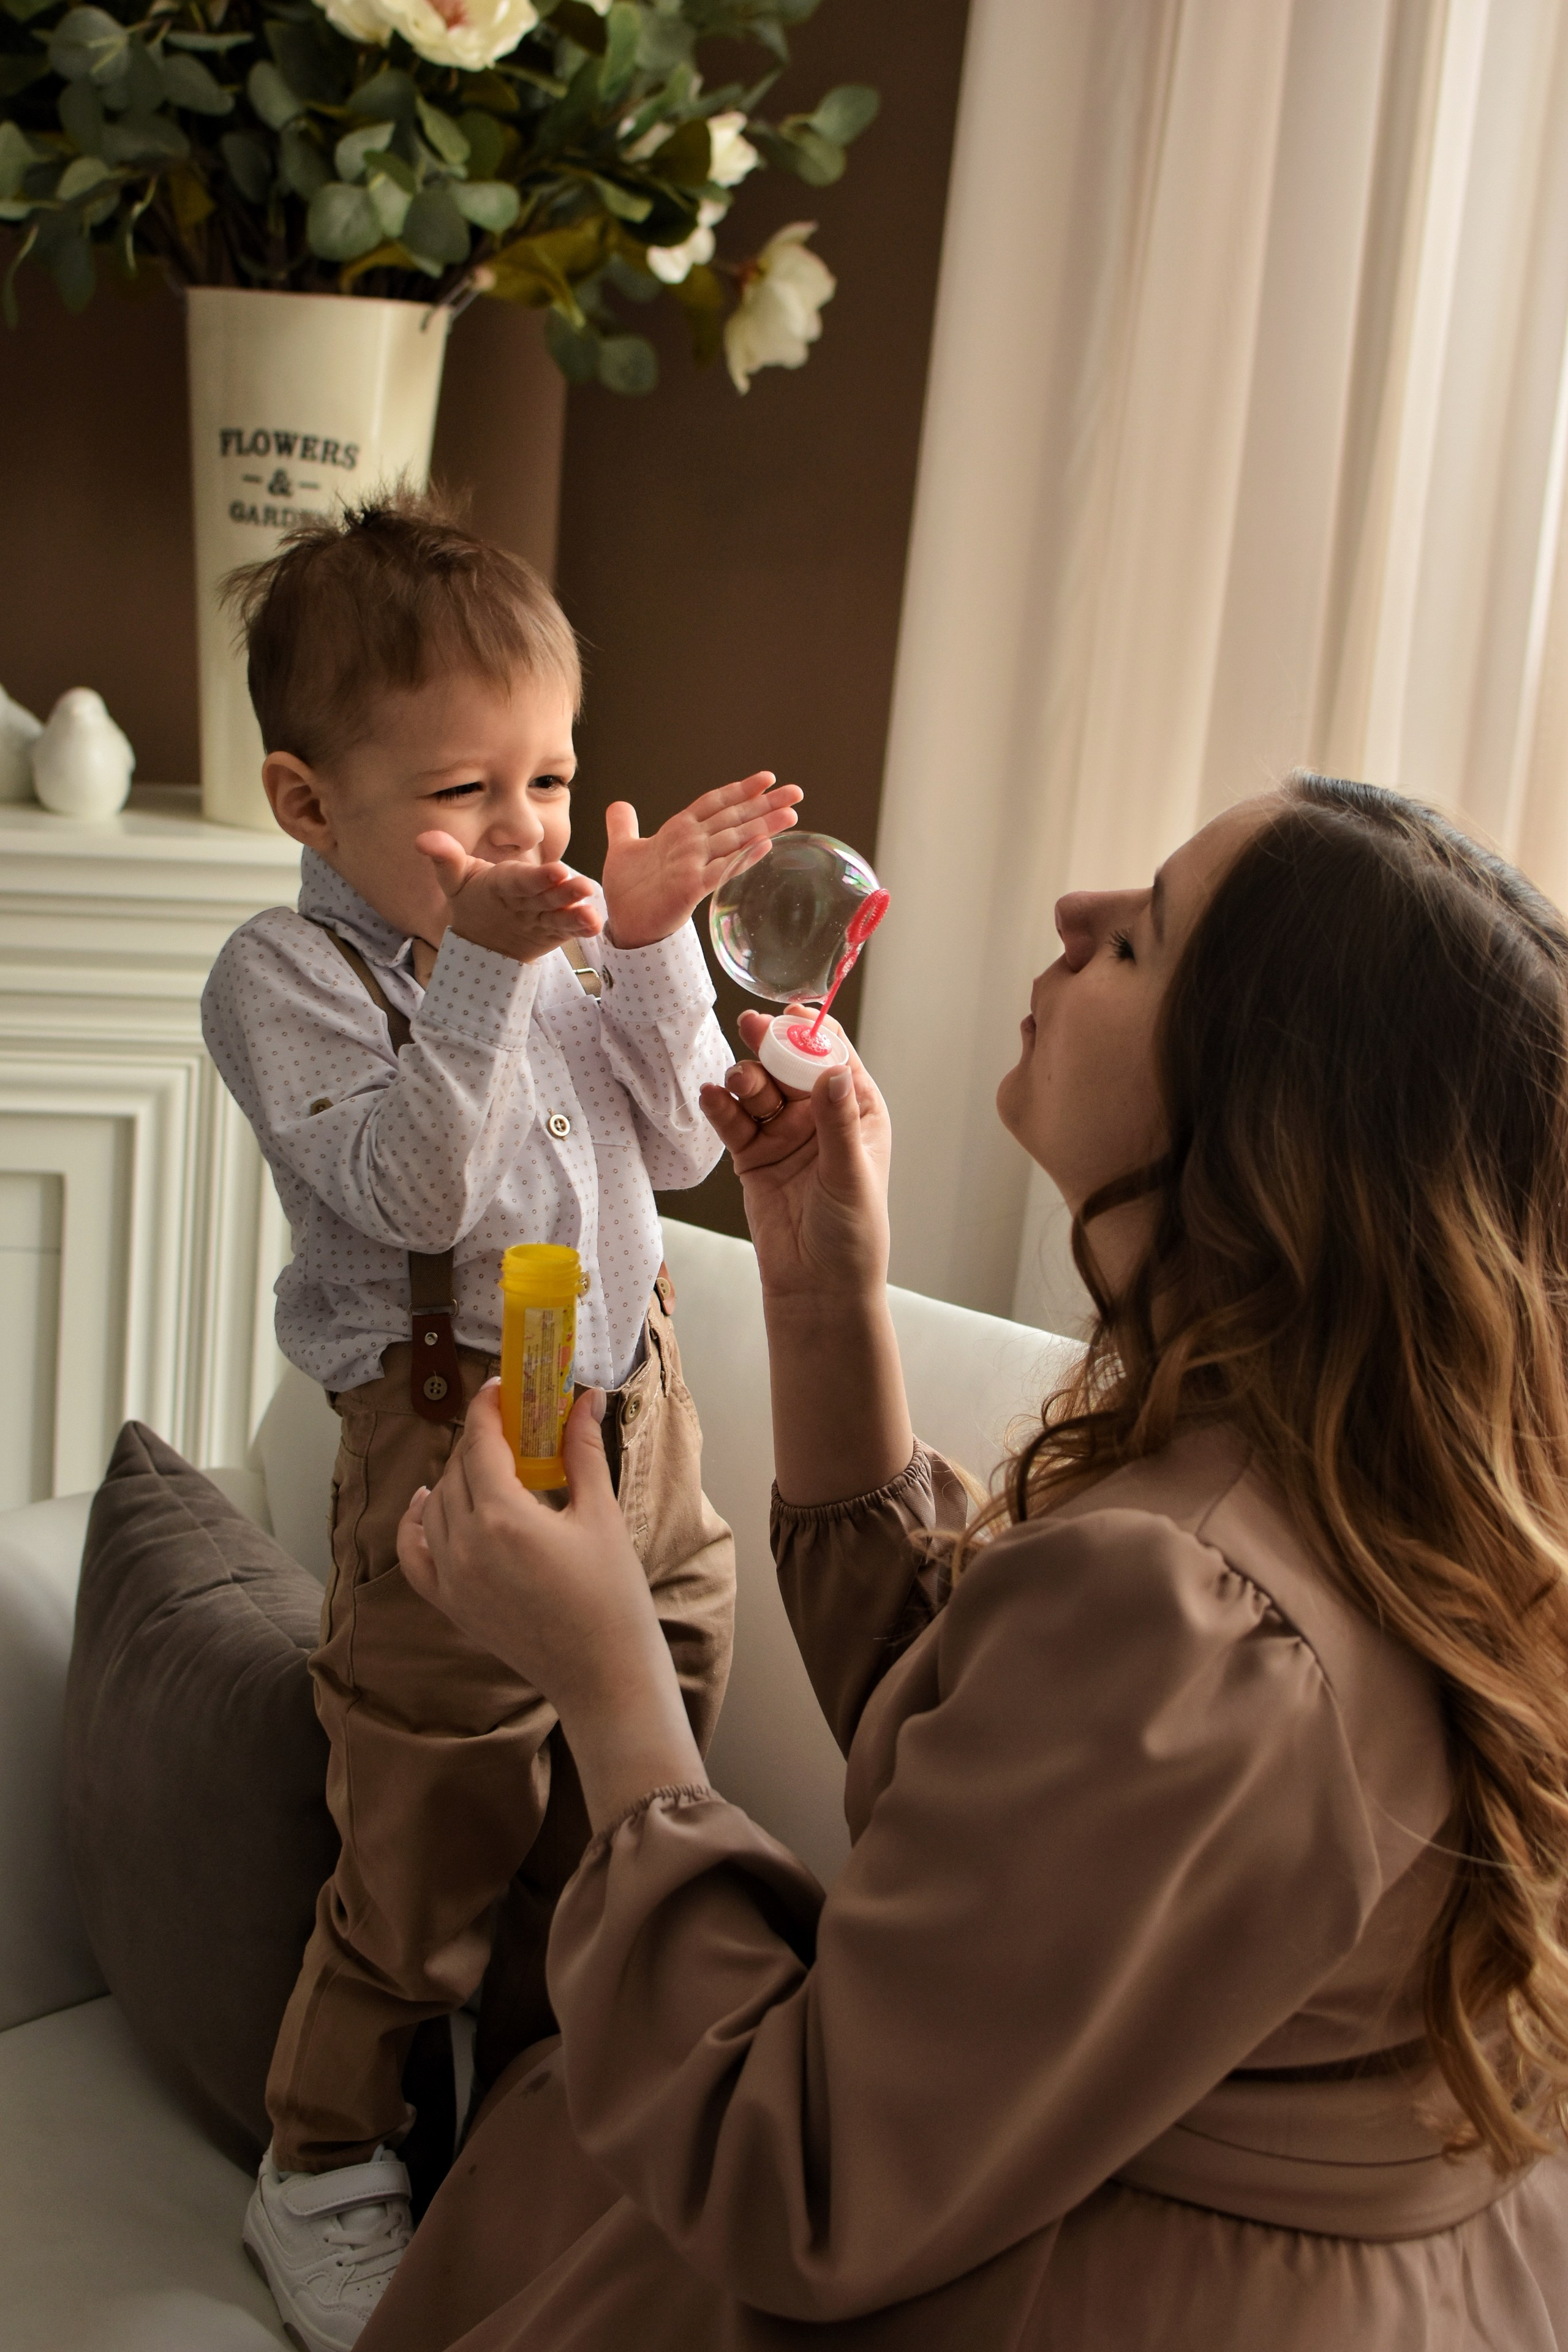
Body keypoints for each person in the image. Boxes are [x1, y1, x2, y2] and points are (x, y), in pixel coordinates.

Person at [359, 775, 1568, 2350]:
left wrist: (605, 1675)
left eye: (1139, 940)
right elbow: (1017, 1788)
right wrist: (819, 1291)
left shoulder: (1206, 1612)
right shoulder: (1364, 1482)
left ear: (1263, 1122)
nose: (1074, 916)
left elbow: (797, 2170)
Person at [200, 489, 800, 2352]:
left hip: (642, 1429)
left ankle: (544, 2130)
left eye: (549, 781)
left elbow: (691, 1138)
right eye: (468, 794)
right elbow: (412, 1191)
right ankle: (318, 2166)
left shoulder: (561, 941)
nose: (524, 832)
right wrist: (489, 966)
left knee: (616, 1802)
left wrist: (649, 943)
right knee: (430, 1826)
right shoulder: (287, 976)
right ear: (312, 804)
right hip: (452, 1440)